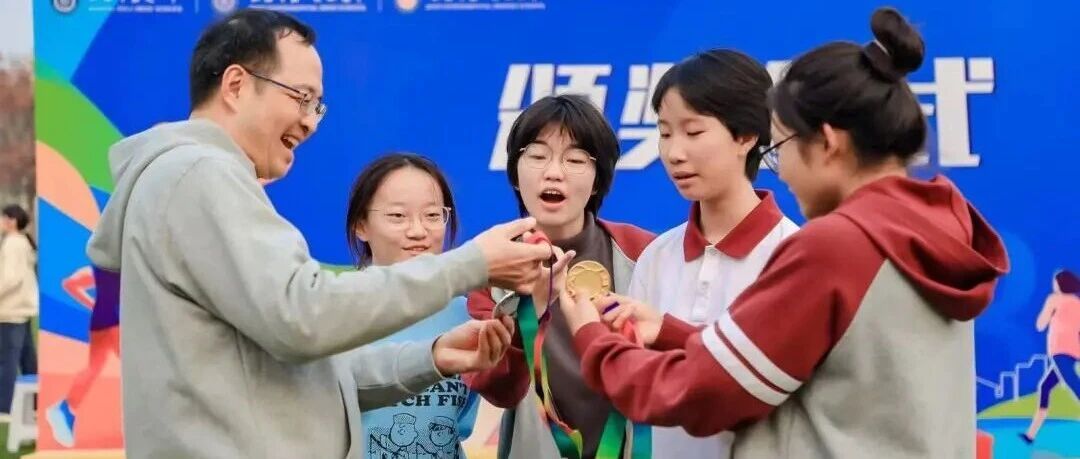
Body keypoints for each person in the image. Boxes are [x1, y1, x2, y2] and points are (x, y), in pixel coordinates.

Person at [84, 9, 549, 458]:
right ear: (236, 85)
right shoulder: (200, 174)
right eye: (300, 97)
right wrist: (472, 263)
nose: (309, 121)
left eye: (316, 106)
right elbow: (304, 314)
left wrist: (432, 357)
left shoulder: (188, 177)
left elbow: (299, 371)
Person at [560, 7, 1009, 458]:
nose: (781, 169)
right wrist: (670, 332)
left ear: (829, 142)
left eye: (781, 145)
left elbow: (702, 392)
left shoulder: (838, 246)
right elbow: (786, 363)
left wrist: (593, 339)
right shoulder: (931, 231)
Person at [627, 49, 798, 458]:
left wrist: (667, 332)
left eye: (693, 132)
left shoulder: (792, 254)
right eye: (665, 133)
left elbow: (768, 382)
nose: (674, 153)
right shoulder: (657, 257)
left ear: (746, 136)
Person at [462, 94, 655, 458]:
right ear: (515, 174)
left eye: (575, 160)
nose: (554, 172)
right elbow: (495, 388)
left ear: (598, 180)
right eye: (537, 156)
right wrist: (525, 317)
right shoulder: (490, 265)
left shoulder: (645, 253)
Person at [339, 153, 481, 458]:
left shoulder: (466, 315)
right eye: (397, 216)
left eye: (432, 215)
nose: (418, 231)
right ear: (361, 225)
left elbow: (462, 421)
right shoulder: (336, 309)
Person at [44, 266, 121, 447]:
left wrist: (94, 304)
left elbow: (70, 283)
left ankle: (66, 407)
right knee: (135, 367)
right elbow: (70, 283)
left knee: (95, 367)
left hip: (103, 318)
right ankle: (65, 408)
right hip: (115, 319)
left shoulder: (101, 267)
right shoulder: (119, 266)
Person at [1022, 269, 1080, 443]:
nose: (1053, 284)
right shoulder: (1077, 303)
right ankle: (1031, 434)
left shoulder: (1054, 299)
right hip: (1073, 351)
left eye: (1055, 281)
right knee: (1045, 386)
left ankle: (1031, 434)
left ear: (1060, 284)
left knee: (1075, 386)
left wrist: (1049, 317)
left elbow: (1040, 325)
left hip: (1059, 350)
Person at [0, 204, 38, 417]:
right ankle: (36, 403)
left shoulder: (12, 243)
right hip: (22, 309)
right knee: (27, 361)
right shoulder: (23, 242)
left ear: (11, 221)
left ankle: (4, 407)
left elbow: (10, 278)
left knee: (7, 362)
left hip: (11, 310)